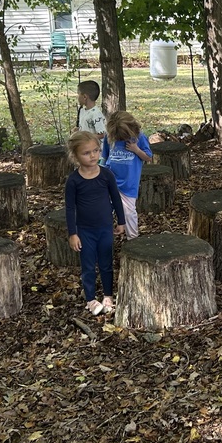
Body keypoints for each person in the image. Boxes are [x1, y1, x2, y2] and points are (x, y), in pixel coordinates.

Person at [66, 130, 126, 316]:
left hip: (105, 228)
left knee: (107, 263)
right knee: (88, 266)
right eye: (86, 153)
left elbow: (116, 199)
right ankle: (90, 299)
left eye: (96, 150)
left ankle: (108, 295)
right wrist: (72, 233)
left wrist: (121, 222)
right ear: (75, 156)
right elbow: (70, 208)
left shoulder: (106, 175)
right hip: (85, 231)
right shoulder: (74, 181)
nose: (93, 156)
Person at [103, 111, 153, 238]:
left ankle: (132, 238)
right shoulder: (109, 136)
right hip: (110, 179)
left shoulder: (139, 137)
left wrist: (136, 149)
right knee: (105, 209)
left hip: (128, 183)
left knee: (129, 212)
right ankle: (105, 237)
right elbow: (105, 157)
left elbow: (148, 157)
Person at [75, 80, 107, 158]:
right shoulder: (83, 111)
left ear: (85, 97)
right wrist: (78, 131)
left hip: (95, 153)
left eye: (78, 94)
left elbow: (102, 134)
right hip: (85, 148)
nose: (77, 97)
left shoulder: (96, 114)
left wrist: (86, 136)